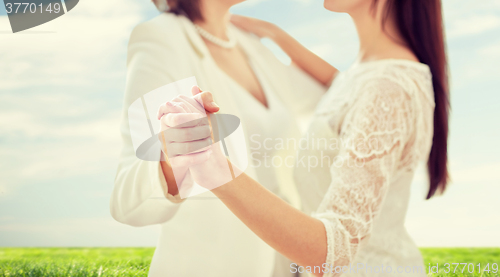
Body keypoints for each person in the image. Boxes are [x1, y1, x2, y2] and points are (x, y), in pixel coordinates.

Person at [159, 0, 450, 276]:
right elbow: (340, 85)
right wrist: (275, 34)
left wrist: (211, 163)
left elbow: (333, 252)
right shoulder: (368, 75)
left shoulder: (386, 88)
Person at [110, 0, 327, 276]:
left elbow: (338, 96)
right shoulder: (161, 38)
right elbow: (126, 202)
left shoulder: (249, 44)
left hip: (291, 263)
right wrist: (172, 160)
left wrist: (276, 34)